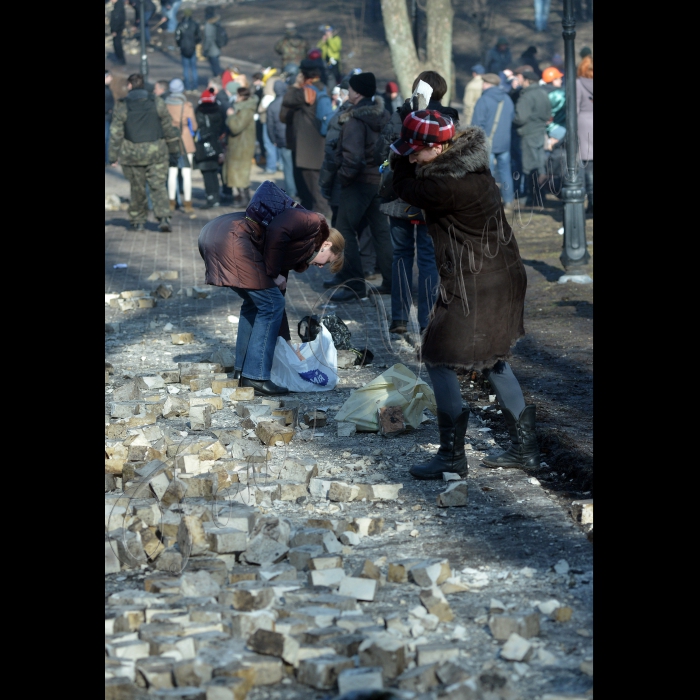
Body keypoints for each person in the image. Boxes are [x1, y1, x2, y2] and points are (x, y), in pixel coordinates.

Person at [390, 112, 539, 479]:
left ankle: (451, 457)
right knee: (492, 359)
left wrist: (396, 162)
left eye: (416, 152)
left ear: (441, 147)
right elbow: (413, 176)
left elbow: (406, 188)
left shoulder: (448, 185)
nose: (410, 157)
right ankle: (526, 450)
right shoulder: (470, 169)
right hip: (498, 275)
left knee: (439, 357)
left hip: (478, 282)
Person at [198, 209, 345, 395]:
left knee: (258, 303)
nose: (322, 266)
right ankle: (256, 376)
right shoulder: (306, 233)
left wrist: (289, 345)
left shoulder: (297, 248)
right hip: (231, 240)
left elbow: (278, 300)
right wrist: (274, 274)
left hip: (211, 234)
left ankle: (242, 371)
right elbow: (278, 230)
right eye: (327, 260)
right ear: (326, 244)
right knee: (270, 305)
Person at [374, 70, 456, 333]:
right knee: (429, 260)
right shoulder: (450, 119)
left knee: (401, 255)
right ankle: (426, 323)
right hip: (432, 196)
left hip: (400, 195)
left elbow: (383, 151)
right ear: (441, 91)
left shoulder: (401, 116)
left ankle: (398, 317)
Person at [329, 71, 392, 302]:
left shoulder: (355, 120)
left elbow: (353, 158)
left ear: (356, 92)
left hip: (358, 183)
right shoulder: (384, 115)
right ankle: (392, 281)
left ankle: (355, 285)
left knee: (343, 232)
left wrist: (344, 178)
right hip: (379, 181)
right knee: (381, 231)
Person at [109, 73, 179, 232]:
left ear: (129, 86)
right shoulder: (157, 102)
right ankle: (163, 217)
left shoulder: (123, 105)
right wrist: (174, 151)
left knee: (137, 187)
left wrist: (113, 156)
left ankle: (138, 220)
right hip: (157, 152)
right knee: (158, 186)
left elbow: (116, 133)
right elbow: (168, 127)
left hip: (132, 153)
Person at [280, 60, 333, 218]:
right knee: (314, 185)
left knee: (313, 188)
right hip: (316, 145)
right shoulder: (322, 88)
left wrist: (296, 84)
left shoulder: (304, 92)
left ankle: (321, 219)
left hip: (307, 148)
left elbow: (287, 99)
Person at [472, 73, 515, 209]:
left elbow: (477, 124)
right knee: (505, 172)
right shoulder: (507, 99)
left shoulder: (484, 99)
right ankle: (508, 200)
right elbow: (512, 118)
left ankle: (488, 202)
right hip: (504, 143)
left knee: (486, 174)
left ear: (487, 84)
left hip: (487, 142)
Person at [512, 69, 551, 205]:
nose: (518, 81)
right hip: (540, 132)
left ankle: (533, 198)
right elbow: (548, 114)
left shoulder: (526, 96)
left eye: (520, 78)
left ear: (527, 80)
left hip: (528, 133)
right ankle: (541, 196)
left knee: (530, 166)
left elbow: (520, 118)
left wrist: (512, 119)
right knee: (540, 165)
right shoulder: (542, 92)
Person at [164, 78, 198, 213]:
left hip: (170, 139)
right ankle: (188, 203)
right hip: (185, 139)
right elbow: (194, 125)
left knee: (172, 172)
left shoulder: (165, 104)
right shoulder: (187, 105)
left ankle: (171, 202)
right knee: (186, 173)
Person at [224, 87, 257, 206]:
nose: (235, 98)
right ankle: (243, 197)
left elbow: (236, 127)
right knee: (237, 173)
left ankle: (244, 199)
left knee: (240, 173)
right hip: (238, 146)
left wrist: (231, 116)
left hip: (242, 147)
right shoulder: (242, 108)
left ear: (242, 97)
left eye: (237, 96)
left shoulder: (246, 110)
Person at [194, 88, 225, 208]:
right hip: (216, 144)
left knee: (207, 173)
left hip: (202, 146)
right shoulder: (219, 111)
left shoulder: (199, 112)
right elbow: (222, 127)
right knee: (214, 171)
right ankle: (216, 196)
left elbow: (196, 127)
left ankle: (211, 197)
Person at [267, 80, 297, 198]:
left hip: (282, 139)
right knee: (294, 165)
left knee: (288, 166)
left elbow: (270, 126)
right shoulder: (291, 102)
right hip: (294, 138)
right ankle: (297, 189)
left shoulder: (272, 105)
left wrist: (273, 139)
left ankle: (291, 191)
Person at [577, 56, 593, 215]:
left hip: (584, 125)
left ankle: (592, 203)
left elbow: (574, 108)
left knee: (588, 166)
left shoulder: (579, 84)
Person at [175, 7, 202, 91]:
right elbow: (199, 36)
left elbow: (177, 37)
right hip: (192, 48)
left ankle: (187, 87)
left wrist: (180, 45)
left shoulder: (180, 24)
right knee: (194, 68)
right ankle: (195, 87)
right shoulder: (194, 24)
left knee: (186, 68)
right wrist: (195, 43)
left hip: (183, 49)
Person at [541, 66, 566, 144]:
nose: (561, 81)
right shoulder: (559, 94)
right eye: (559, 79)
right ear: (553, 80)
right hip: (559, 128)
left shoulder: (540, 92)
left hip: (542, 129)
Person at [202, 6, 223, 79]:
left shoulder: (208, 24)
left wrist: (205, 50)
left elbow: (208, 39)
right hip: (217, 47)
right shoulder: (217, 22)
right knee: (217, 65)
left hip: (211, 49)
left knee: (215, 68)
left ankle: (219, 81)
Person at [110, 0, 127, 65]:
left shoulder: (118, 6)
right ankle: (120, 59)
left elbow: (117, 18)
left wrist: (114, 29)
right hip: (118, 28)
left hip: (117, 29)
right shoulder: (119, 5)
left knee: (117, 44)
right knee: (117, 43)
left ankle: (121, 60)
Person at [106, 71, 115, 164]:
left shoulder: (107, 89)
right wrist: (108, 110)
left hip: (108, 117)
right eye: (109, 76)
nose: (111, 78)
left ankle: (107, 159)